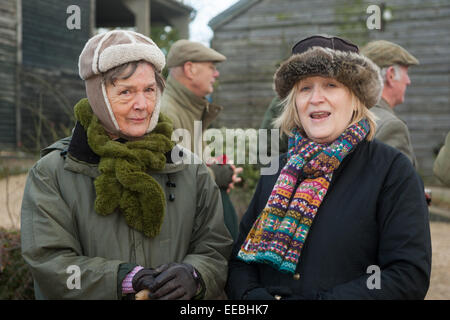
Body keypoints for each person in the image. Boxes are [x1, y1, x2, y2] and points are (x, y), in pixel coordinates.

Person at [20, 30, 233, 300]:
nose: (142, 105)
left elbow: (215, 248)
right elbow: (49, 261)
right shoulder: (53, 173)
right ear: (97, 95)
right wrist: (122, 279)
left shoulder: (190, 169)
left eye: (149, 90)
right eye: (125, 92)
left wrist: (195, 275)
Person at [226, 35, 431, 300]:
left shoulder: (392, 171)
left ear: (355, 98)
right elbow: (241, 262)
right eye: (305, 88)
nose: (316, 98)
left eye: (331, 85)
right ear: (294, 103)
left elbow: (407, 276)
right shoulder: (275, 170)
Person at [161, 39, 242, 241]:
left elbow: (197, 164)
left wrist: (220, 169)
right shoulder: (167, 114)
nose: (216, 74)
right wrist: (217, 175)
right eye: (211, 68)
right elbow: (175, 180)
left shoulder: (189, 108)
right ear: (190, 69)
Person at [361, 40, 419, 168]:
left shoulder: (348, 115)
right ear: (391, 75)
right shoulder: (391, 127)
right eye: (406, 73)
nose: (408, 81)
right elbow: (398, 186)